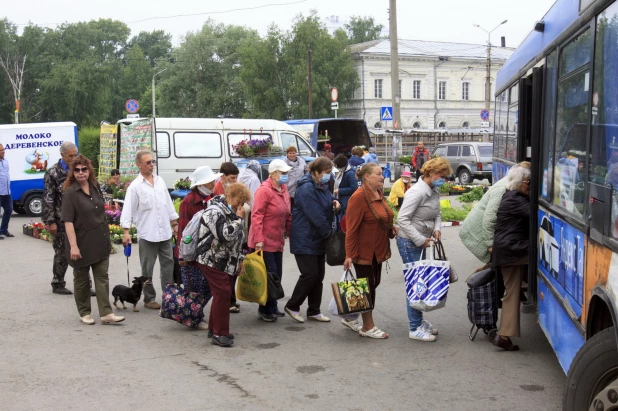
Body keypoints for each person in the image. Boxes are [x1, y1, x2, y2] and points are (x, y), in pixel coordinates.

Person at [61, 155, 124, 325]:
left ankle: (106, 313)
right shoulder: (70, 193)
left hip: (100, 240)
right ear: (72, 173)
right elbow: (68, 222)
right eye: (77, 170)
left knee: (102, 277)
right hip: (80, 243)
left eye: (84, 169)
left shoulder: (94, 186)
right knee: (81, 280)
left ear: (89, 171)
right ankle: (85, 313)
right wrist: (73, 246)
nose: (81, 173)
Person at [397, 157, 452, 342]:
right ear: (431, 173)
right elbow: (402, 220)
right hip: (410, 242)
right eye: (442, 176)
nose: (444, 180)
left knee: (421, 283)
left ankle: (419, 322)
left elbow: (438, 213)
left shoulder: (433, 190)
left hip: (423, 240)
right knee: (415, 285)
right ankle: (414, 328)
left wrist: (437, 229)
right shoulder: (417, 192)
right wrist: (420, 240)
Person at [120, 150, 179, 310]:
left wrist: (174, 224)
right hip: (148, 234)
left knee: (168, 266)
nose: (152, 165)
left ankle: (169, 296)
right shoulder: (135, 187)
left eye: (153, 161)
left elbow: (168, 203)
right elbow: (128, 210)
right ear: (139, 165)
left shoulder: (159, 181)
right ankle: (149, 298)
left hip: (164, 233)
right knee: (147, 269)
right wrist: (126, 232)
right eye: (148, 162)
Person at [343, 163, 396, 338]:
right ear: (366, 177)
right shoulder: (358, 197)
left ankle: (350, 317)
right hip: (363, 252)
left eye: (382, 174)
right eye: (378, 174)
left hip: (378, 250)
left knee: (372, 285)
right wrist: (349, 255)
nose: (382, 177)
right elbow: (351, 229)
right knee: (366, 288)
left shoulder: (378, 193)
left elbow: (384, 215)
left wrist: (390, 227)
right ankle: (367, 326)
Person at [285, 157, 341, 323]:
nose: (329, 176)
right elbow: (315, 215)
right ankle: (292, 305)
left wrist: (335, 202)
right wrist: (329, 234)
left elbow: (328, 199)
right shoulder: (306, 188)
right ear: (316, 172)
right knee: (309, 274)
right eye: (327, 173)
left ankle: (314, 310)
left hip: (317, 237)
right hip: (305, 237)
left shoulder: (320, 185)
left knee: (318, 276)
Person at [196, 183, 251, 347]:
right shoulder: (214, 211)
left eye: (243, 202)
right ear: (231, 197)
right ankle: (220, 334)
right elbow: (224, 235)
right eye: (239, 201)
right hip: (209, 259)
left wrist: (240, 259)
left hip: (224, 260)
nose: (241, 206)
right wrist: (239, 219)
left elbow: (239, 239)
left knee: (222, 293)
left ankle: (214, 329)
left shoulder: (232, 211)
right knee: (223, 293)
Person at [491, 166, 532, 351]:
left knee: (512, 291)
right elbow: (534, 213)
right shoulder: (516, 199)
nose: (529, 186)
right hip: (512, 251)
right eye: (528, 183)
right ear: (520, 183)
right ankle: (504, 335)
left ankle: (505, 334)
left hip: (509, 249)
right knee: (512, 293)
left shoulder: (511, 196)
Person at [460, 162, 531, 264]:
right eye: (528, 181)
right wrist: (490, 244)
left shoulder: (512, 183)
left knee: (497, 265)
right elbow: (489, 217)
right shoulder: (502, 190)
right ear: (522, 178)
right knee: (495, 266)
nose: (528, 184)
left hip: (489, 232)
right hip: (477, 230)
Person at [177, 166, 221, 330]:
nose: (212, 184)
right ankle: (195, 317)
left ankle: (193, 313)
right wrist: (185, 256)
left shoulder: (213, 198)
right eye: (210, 182)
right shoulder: (188, 202)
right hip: (191, 253)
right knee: (192, 287)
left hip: (209, 251)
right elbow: (184, 232)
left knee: (209, 286)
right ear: (201, 184)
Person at [248, 159, 292, 321]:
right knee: (268, 275)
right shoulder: (264, 190)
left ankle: (272, 306)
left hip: (277, 239)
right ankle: (265, 309)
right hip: (263, 241)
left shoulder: (283, 188)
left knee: (276, 275)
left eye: (286, 173)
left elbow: (287, 212)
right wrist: (259, 239)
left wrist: (289, 231)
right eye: (283, 173)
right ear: (273, 174)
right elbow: (256, 215)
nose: (286, 176)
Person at [43, 141, 79, 295]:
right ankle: (58, 283)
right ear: (62, 155)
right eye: (70, 156)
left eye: (75, 155)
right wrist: (50, 221)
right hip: (61, 219)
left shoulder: (79, 169)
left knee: (82, 250)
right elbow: (48, 198)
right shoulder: (53, 173)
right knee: (62, 252)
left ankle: (84, 283)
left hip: (79, 218)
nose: (73, 158)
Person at [0, 144, 13, 240]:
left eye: (3, 149)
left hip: (7, 192)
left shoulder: (5, 161)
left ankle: (4, 230)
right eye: (1, 150)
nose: (3, 151)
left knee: (9, 210)